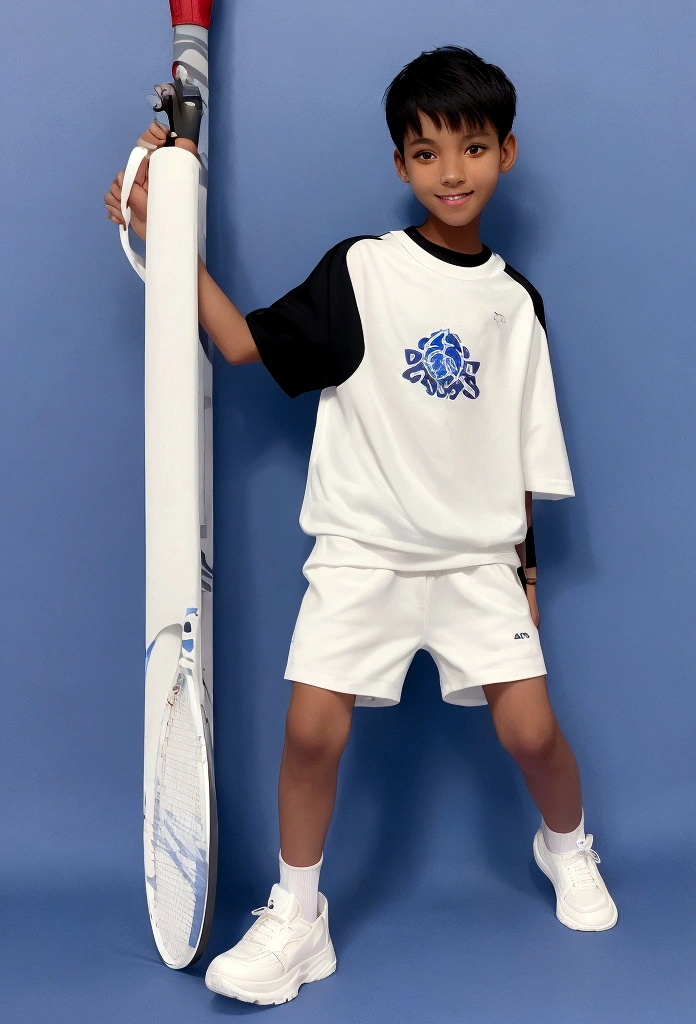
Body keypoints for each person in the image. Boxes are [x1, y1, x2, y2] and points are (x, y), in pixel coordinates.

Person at [105, 44, 618, 1006]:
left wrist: (528, 579)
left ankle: (567, 848)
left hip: (476, 563)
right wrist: (161, 223)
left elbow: (521, 456)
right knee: (310, 734)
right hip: (361, 553)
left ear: (507, 152)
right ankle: (300, 919)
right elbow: (243, 343)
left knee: (535, 734)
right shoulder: (363, 272)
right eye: (427, 153)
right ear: (400, 166)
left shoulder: (514, 304)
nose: (452, 171)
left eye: (472, 147)